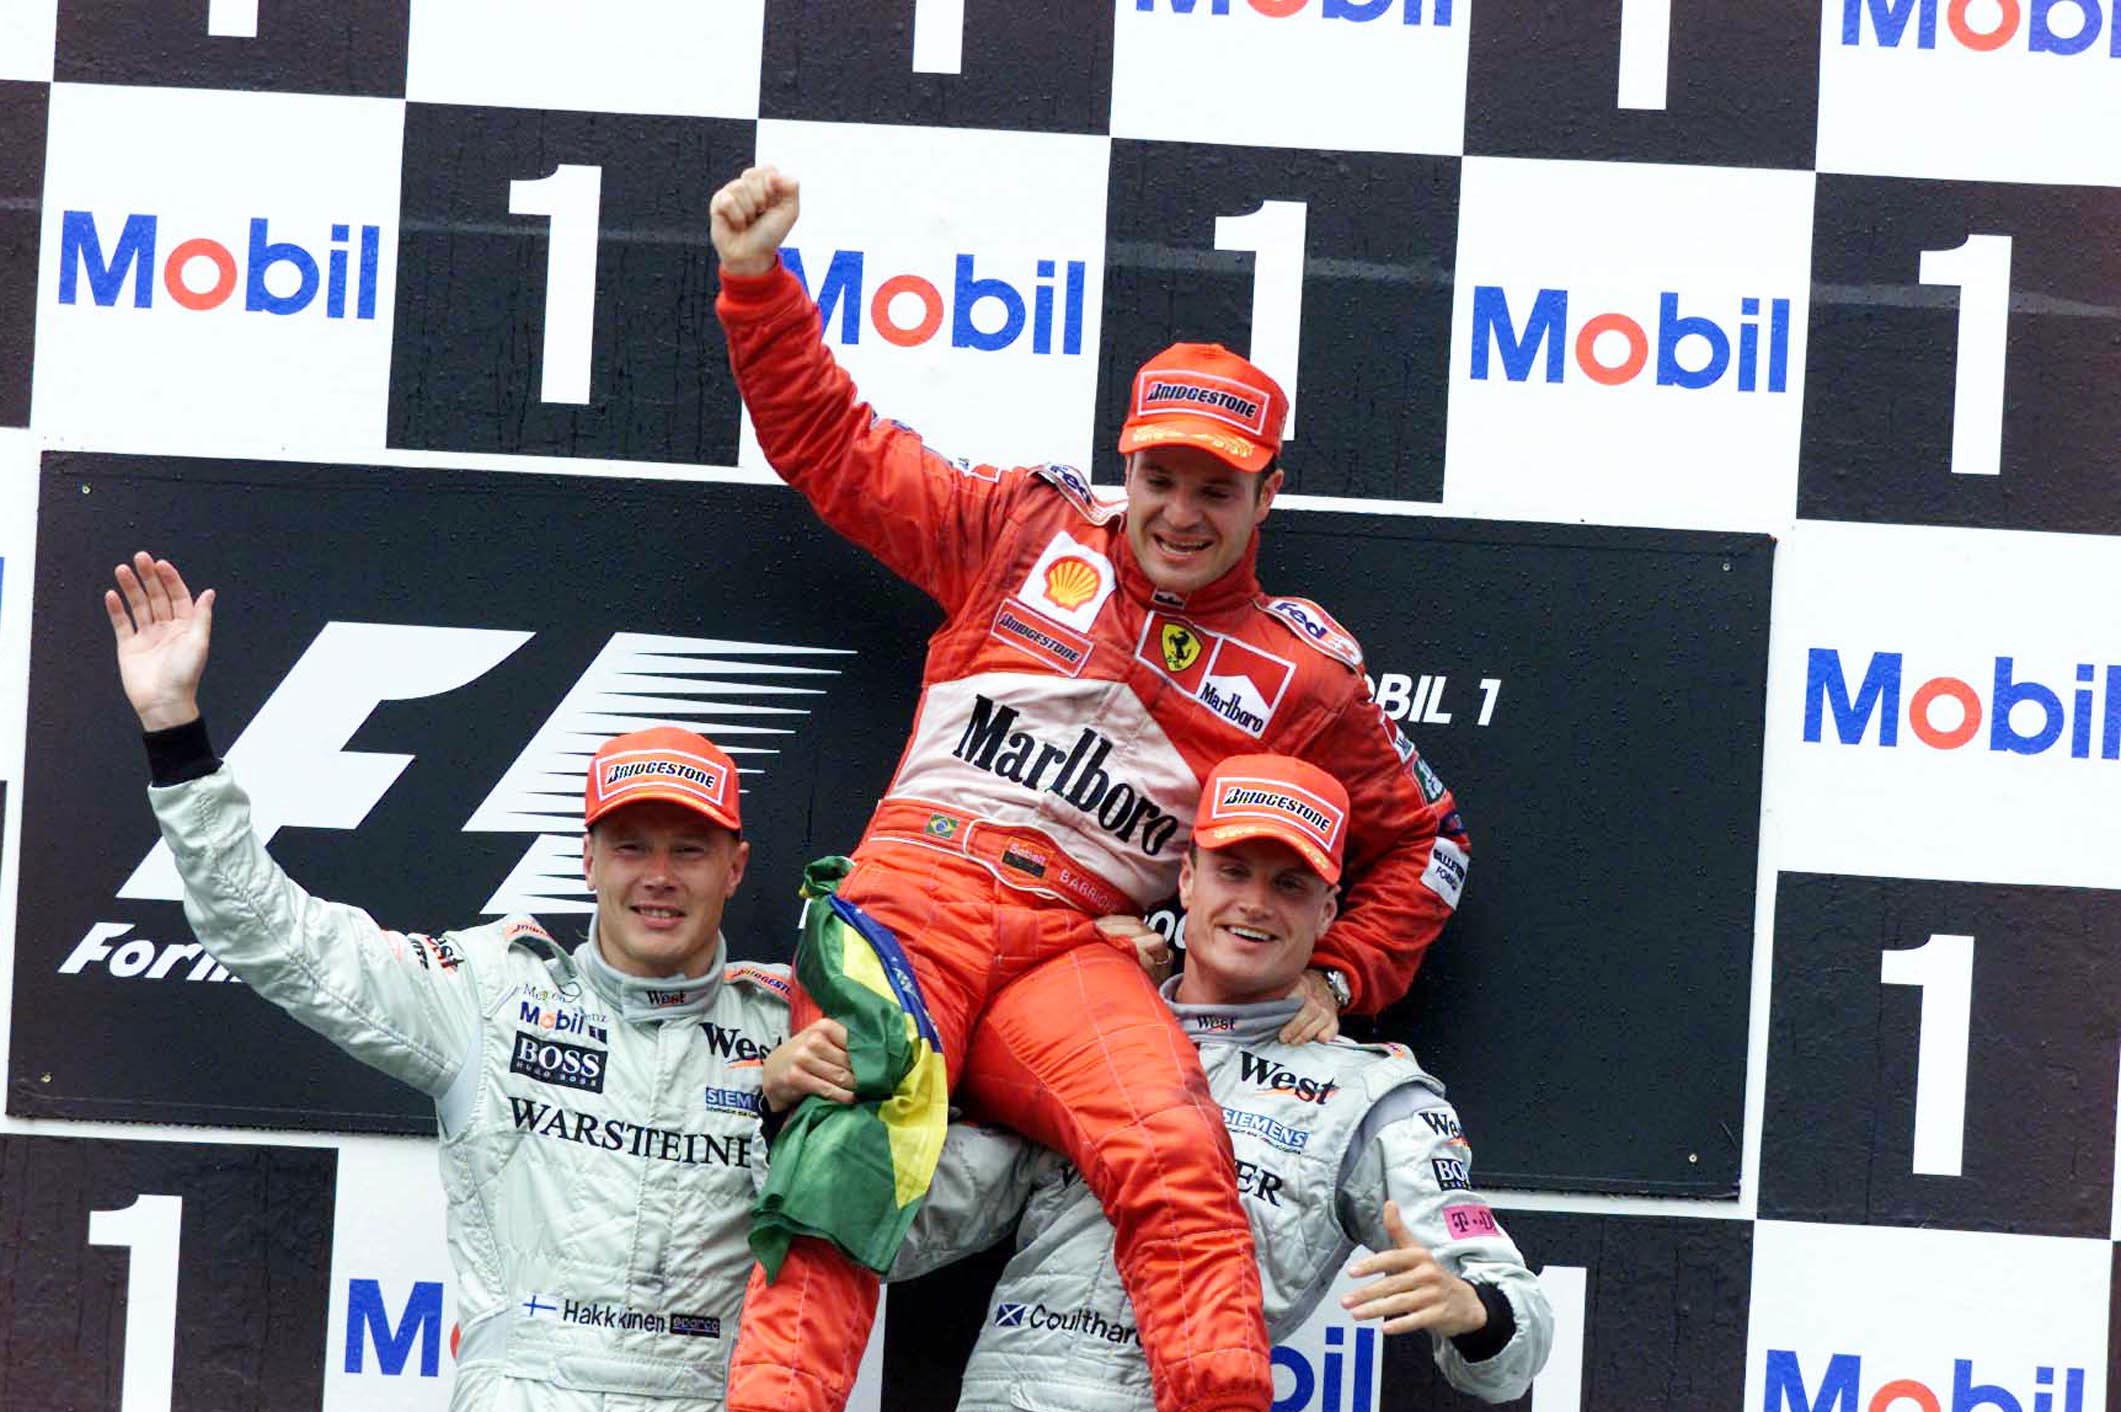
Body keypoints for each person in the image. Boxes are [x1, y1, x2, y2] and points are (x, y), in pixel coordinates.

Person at [711, 166, 1471, 1412]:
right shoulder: (1022, 529)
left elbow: (1429, 844)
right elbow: (837, 452)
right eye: (1161, 476)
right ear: (1126, 460)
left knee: (1179, 1156)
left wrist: (1342, 974)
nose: (1180, 512)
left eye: (1216, 487)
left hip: (1074, 949)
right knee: (850, 1143)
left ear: (1266, 493)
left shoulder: (1303, 667)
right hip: (920, 905)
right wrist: (759, 289)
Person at [103, 551, 856, 1412]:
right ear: (587, 861)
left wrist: (803, 1124)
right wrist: (173, 727)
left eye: (689, 849)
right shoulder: (495, 992)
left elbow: (910, 1229)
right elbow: (271, 933)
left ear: (736, 868)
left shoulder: (790, 1024)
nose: (659, 876)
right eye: (631, 846)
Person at [891, 754, 1552, 1411]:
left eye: (1289, 886)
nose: (1255, 905)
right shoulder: (1075, 1032)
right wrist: (798, 1101)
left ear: (1326, 914)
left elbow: (1513, 1349)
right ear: (1186, 880)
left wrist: (1474, 1311)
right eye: (1232, 872)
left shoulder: (1369, 1096)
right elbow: (914, 1223)